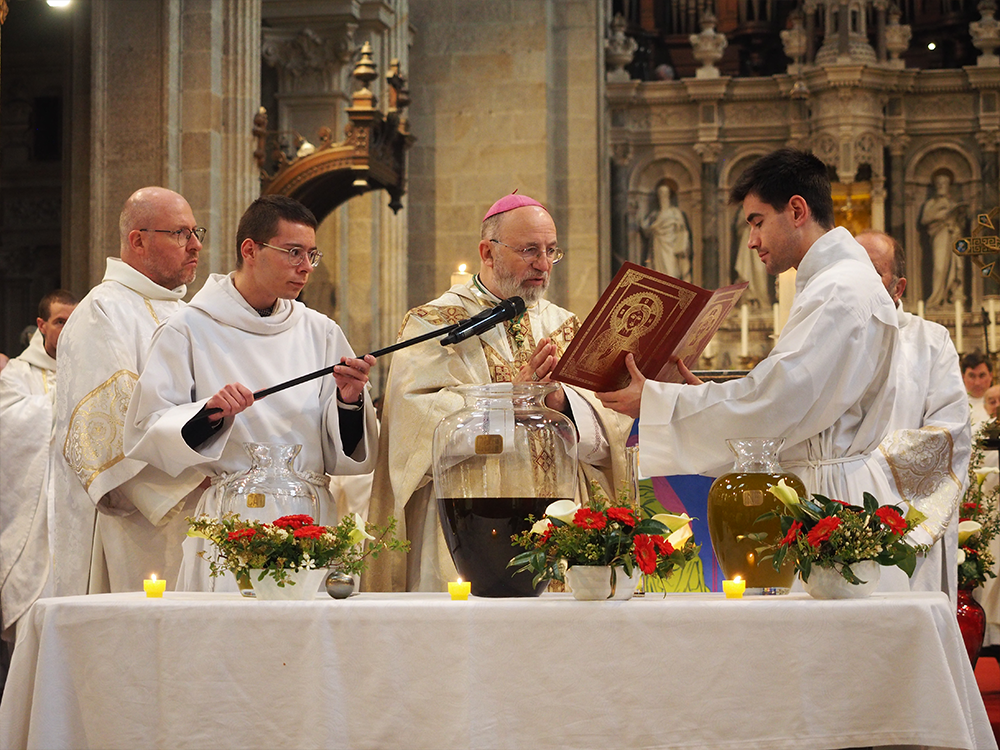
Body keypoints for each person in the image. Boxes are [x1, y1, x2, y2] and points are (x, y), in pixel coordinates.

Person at [596, 148, 910, 588]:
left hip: (832, 498)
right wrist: (699, 397)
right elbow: (792, 398)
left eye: (758, 222)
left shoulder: (839, 290)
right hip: (833, 488)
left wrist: (658, 400)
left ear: (797, 211)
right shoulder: (840, 283)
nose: (751, 241)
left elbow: (777, 402)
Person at [365, 192, 633, 592]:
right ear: (487, 253)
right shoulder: (434, 324)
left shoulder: (566, 326)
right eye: (530, 250)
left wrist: (563, 404)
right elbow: (414, 433)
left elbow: (611, 428)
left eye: (551, 251)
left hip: (562, 531)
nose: (543, 264)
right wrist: (512, 400)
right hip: (469, 526)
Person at [125, 195, 378, 592]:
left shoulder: (321, 331)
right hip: (235, 520)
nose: (305, 267)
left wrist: (348, 401)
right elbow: (148, 428)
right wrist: (210, 415)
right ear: (250, 250)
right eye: (293, 252)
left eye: (311, 255)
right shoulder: (189, 329)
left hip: (311, 518)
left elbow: (343, 455)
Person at [53, 187, 207, 596]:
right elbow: (107, 428)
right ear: (138, 240)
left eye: (196, 233)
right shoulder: (102, 311)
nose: (195, 245)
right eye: (180, 233)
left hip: (199, 510)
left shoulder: (190, 315)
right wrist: (193, 477)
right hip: (140, 518)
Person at [856, 230, 970, 605]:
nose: (858, 280)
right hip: (834, 515)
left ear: (898, 287)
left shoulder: (930, 341)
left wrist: (859, 473)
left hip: (909, 519)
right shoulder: (826, 341)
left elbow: (948, 432)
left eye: (873, 272)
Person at [1, 290, 78, 644]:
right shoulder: (16, 373)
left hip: (77, 504)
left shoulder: (90, 370)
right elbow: (8, 425)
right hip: (34, 505)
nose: (68, 329)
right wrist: (64, 401)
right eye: (60, 321)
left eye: (74, 322)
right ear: (41, 325)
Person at [922, 170, 966, 309]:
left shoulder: (951, 203)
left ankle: (949, 297)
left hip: (952, 236)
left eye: (944, 183)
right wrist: (940, 214)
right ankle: (935, 300)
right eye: (939, 183)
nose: (941, 186)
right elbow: (924, 219)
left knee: (954, 268)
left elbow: (961, 223)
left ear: (948, 186)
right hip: (939, 236)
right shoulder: (931, 203)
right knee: (939, 268)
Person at [640, 181, 691, 281]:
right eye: (660, 194)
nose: (662, 197)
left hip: (671, 247)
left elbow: (682, 231)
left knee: (671, 271)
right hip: (658, 245)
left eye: (665, 194)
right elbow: (646, 230)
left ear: (669, 196)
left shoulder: (675, 213)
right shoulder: (655, 215)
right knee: (657, 274)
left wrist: (682, 246)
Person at [962, 351, 993, 431]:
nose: (977, 383)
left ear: (991, 376)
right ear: (963, 377)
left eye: (982, 376)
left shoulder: (997, 402)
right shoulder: (956, 404)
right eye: (972, 376)